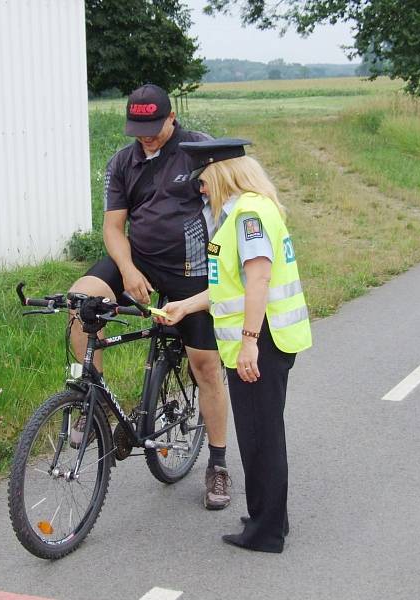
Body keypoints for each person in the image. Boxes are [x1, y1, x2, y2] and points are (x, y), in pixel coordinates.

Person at [68, 84, 232, 510]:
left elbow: (228, 206)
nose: (145, 136)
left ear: (171, 117)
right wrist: (127, 269)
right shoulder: (123, 162)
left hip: (190, 268)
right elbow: (112, 228)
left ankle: (217, 463)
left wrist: (221, 264)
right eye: (137, 128)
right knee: (80, 303)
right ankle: (94, 405)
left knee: (205, 364)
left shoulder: (198, 148)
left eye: (153, 128)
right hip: (138, 259)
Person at [159, 138, 313, 553]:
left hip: (261, 340)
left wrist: (249, 342)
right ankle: (269, 519)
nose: (200, 190)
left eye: (203, 181)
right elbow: (228, 286)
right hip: (263, 338)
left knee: (261, 437)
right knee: (262, 434)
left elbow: (258, 280)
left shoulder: (247, 215)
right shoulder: (241, 215)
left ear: (221, 173)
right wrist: (185, 306)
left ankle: (265, 533)